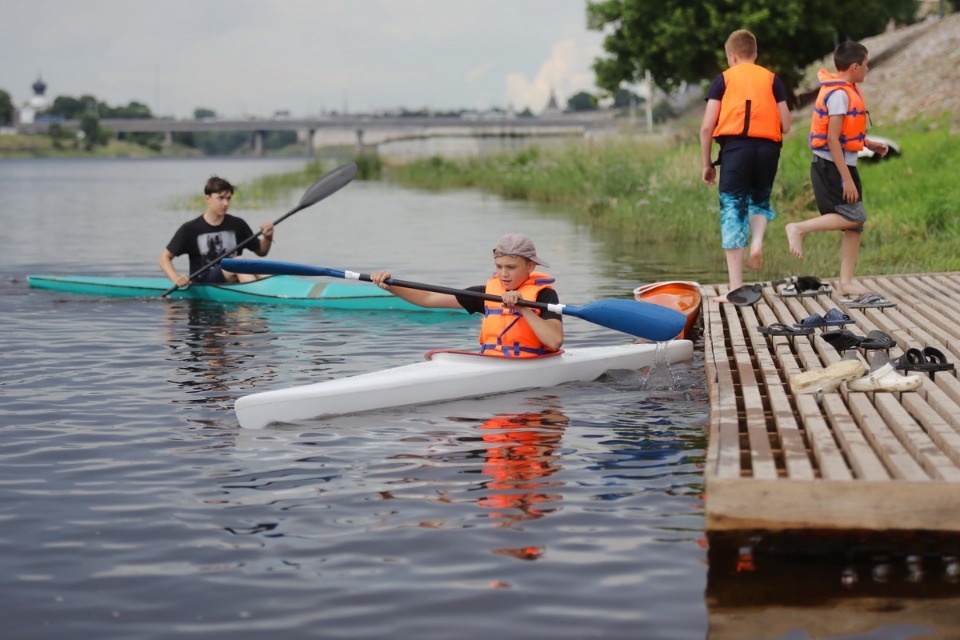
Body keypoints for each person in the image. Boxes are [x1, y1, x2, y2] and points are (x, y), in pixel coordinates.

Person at [785, 40, 888, 298]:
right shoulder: (840, 95)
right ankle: (798, 228)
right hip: (831, 166)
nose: (867, 69)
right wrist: (847, 179)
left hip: (842, 163)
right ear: (855, 67)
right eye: (865, 65)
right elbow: (832, 140)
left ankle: (846, 282)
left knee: (855, 224)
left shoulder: (846, 89)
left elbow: (845, 134)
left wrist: (868, 144)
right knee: (855, 216)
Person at [700, 29, 792, 303]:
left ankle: (735, 287)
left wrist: (707, 164)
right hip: (768, 149)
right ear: (755, 54)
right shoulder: (772, 79)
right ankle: (757, 241)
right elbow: (786, 124)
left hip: (736, 149)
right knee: (759, 200)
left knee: (733, 209)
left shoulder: (723, 80)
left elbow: (707, 127)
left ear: (732, 56)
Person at [370, 233, 564, 356]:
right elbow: (427, 299)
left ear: (530, 266)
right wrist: (389, 285)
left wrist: (522, 308)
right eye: (499, 267)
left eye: (511, 267)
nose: (503, 274)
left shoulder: (544, 296)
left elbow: (554, 342)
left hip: (532, 364)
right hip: (491, 362)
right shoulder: (487, 294)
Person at [159, 176, 275, 287]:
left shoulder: (238, 224)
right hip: (203, 281)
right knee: (240, 262)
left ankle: (273, 290)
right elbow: (164, 258)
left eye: (228, 198)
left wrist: (268, 237)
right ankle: (258, 298)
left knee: (257, 266)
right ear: (207, 198)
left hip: (233, 275)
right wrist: (176, 278)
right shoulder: (190, 229)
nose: (226, 203)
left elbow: (261, 251)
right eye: (221, 198)